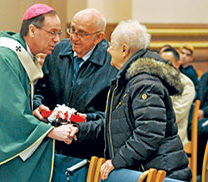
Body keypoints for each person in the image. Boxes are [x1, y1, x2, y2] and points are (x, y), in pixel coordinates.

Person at [0, 4, 75, 182]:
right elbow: (8, 115)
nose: (57, 39)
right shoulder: (4, 60)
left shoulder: (18, 58)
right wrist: (50, 131)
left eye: (59, 33)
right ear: (33, 30)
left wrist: (33, 109)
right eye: (52, 32)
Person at [71, 20, 192, 181]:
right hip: (145, 171)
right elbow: (114, 125)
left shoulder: (145, 83)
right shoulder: (129, 79)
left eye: (111, 44)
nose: (107, 49)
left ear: (124, 49)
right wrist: (80, 129)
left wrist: (117, 161)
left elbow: (149, 134)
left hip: (160, 174)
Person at [33, 8, 118, 159]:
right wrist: (37, 104)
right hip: (53, 143)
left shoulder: (112, 62)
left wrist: (84, 120)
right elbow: (40, 89)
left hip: (90, 150)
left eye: (82, 33)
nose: (74, 37)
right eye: (72, 30)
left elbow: (114, 116)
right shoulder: (58, 50)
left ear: (98, 37)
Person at [160, 46, 195, 146]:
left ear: (177, 64)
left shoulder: (186, 84)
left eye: (168, 63)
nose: (163, 66)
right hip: (153, 134)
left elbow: (176, 114)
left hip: (174, 137)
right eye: (160, 62)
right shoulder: (155, 80)